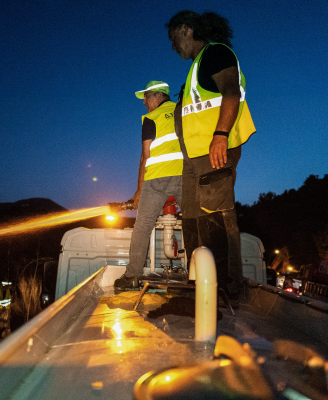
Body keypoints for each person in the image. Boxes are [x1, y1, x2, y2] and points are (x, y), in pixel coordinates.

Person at [165, 11, 256, 299]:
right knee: (192, 220)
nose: (172, 46)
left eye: (173, 38)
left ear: (186, 29)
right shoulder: (195, 69)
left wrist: (221, 135)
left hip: (213, 150)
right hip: (194, 160)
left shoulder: (215, 53)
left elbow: (231, 91)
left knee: (217, 215)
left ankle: (227, 288)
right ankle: (199, 287)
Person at [114, 81, 184, 290]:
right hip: (184, 176)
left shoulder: (150, 118)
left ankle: (132, 276)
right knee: (194, 224)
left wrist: (138, 192)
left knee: (142, 227)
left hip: (156, 179)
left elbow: (146, 156)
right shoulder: (183, 110)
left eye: (146, 97)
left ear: (158, 96)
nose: (144, 102)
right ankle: (202, 277)